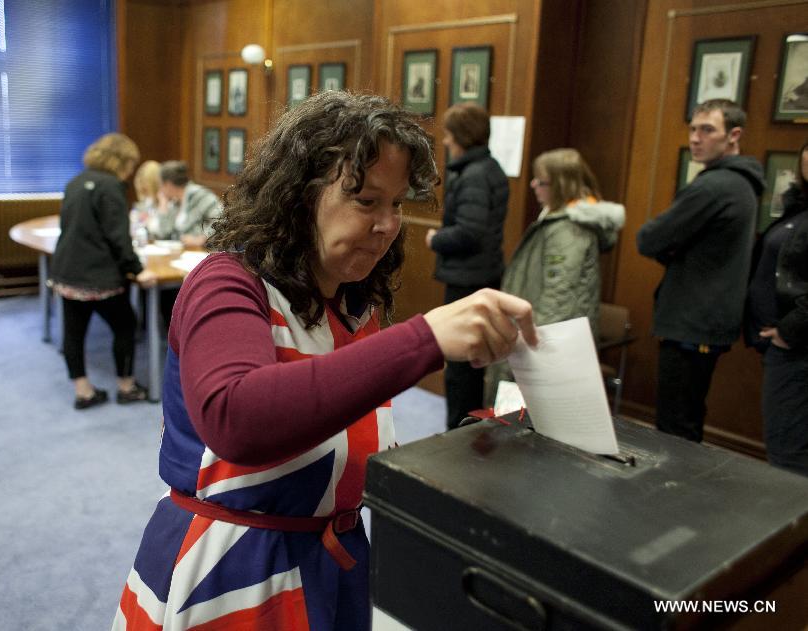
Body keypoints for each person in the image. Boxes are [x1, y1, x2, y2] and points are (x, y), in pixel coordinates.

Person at [112, 91, 538, 631]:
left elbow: (339, 443)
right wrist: (424, 338)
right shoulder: (225, 281)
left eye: (397, 203)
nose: (388, 224)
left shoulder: (352, 303)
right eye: (366, 200)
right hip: (233, 568)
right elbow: (235, 417)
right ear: (298, 197)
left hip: (329, 561)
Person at [637, 99, 765, 443]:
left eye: (707, 130)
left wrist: (675, 248)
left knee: (676, 427)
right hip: (707, 320)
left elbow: (648, 239)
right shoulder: (743, 182)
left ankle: (673, 496)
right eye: (693, 129)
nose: (695, 138)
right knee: (687, 417)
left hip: (692, 321)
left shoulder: (715, 186)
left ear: (734, 135)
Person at [485, 148, 625, 405]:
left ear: (561, 185)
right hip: (543, 334)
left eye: (541, 181)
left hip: (547, 341)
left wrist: (529, 343)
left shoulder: (569, 229)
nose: (533, 185)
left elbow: (559, 295)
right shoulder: (558, 219)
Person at [49, 133, 157, 409]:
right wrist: (136, 269)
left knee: (73, 332)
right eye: (131, 163)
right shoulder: (111, 187)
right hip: (98, 276)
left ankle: (83, 392)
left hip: (66, 271)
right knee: (126, 326)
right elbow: (118, 236)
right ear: (122, 161)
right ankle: (126, 386)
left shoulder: (76, 181)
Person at [425, 103, 510, 430]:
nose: (445, 141)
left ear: (462, 135)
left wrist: (437, 238)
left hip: (468, 278)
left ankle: (457, 434)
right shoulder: (489, 168)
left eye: (448, 134)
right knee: (471, 364)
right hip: (480, 273)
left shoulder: (474, 175)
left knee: (461, 364)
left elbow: (471, 232)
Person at [744, 139, 808, 476]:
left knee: (788, 456)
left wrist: (789, 330)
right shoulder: (798, 207)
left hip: (797, 350)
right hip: (785, 350)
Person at [148, 160, 221, 248]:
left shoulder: (200, 196)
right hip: (181, 254)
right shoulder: (174, 203)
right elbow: (163, 234)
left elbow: (222, 219)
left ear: (168, 184)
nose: (160, 190)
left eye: (161, 185)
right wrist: (163, 206)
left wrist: (200, 239)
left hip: (202, 253)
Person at [130, 159, 161, 246]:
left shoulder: (168, 204)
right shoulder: (143, 205)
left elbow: (161, 231)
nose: (142, 186)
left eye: (145, 183)